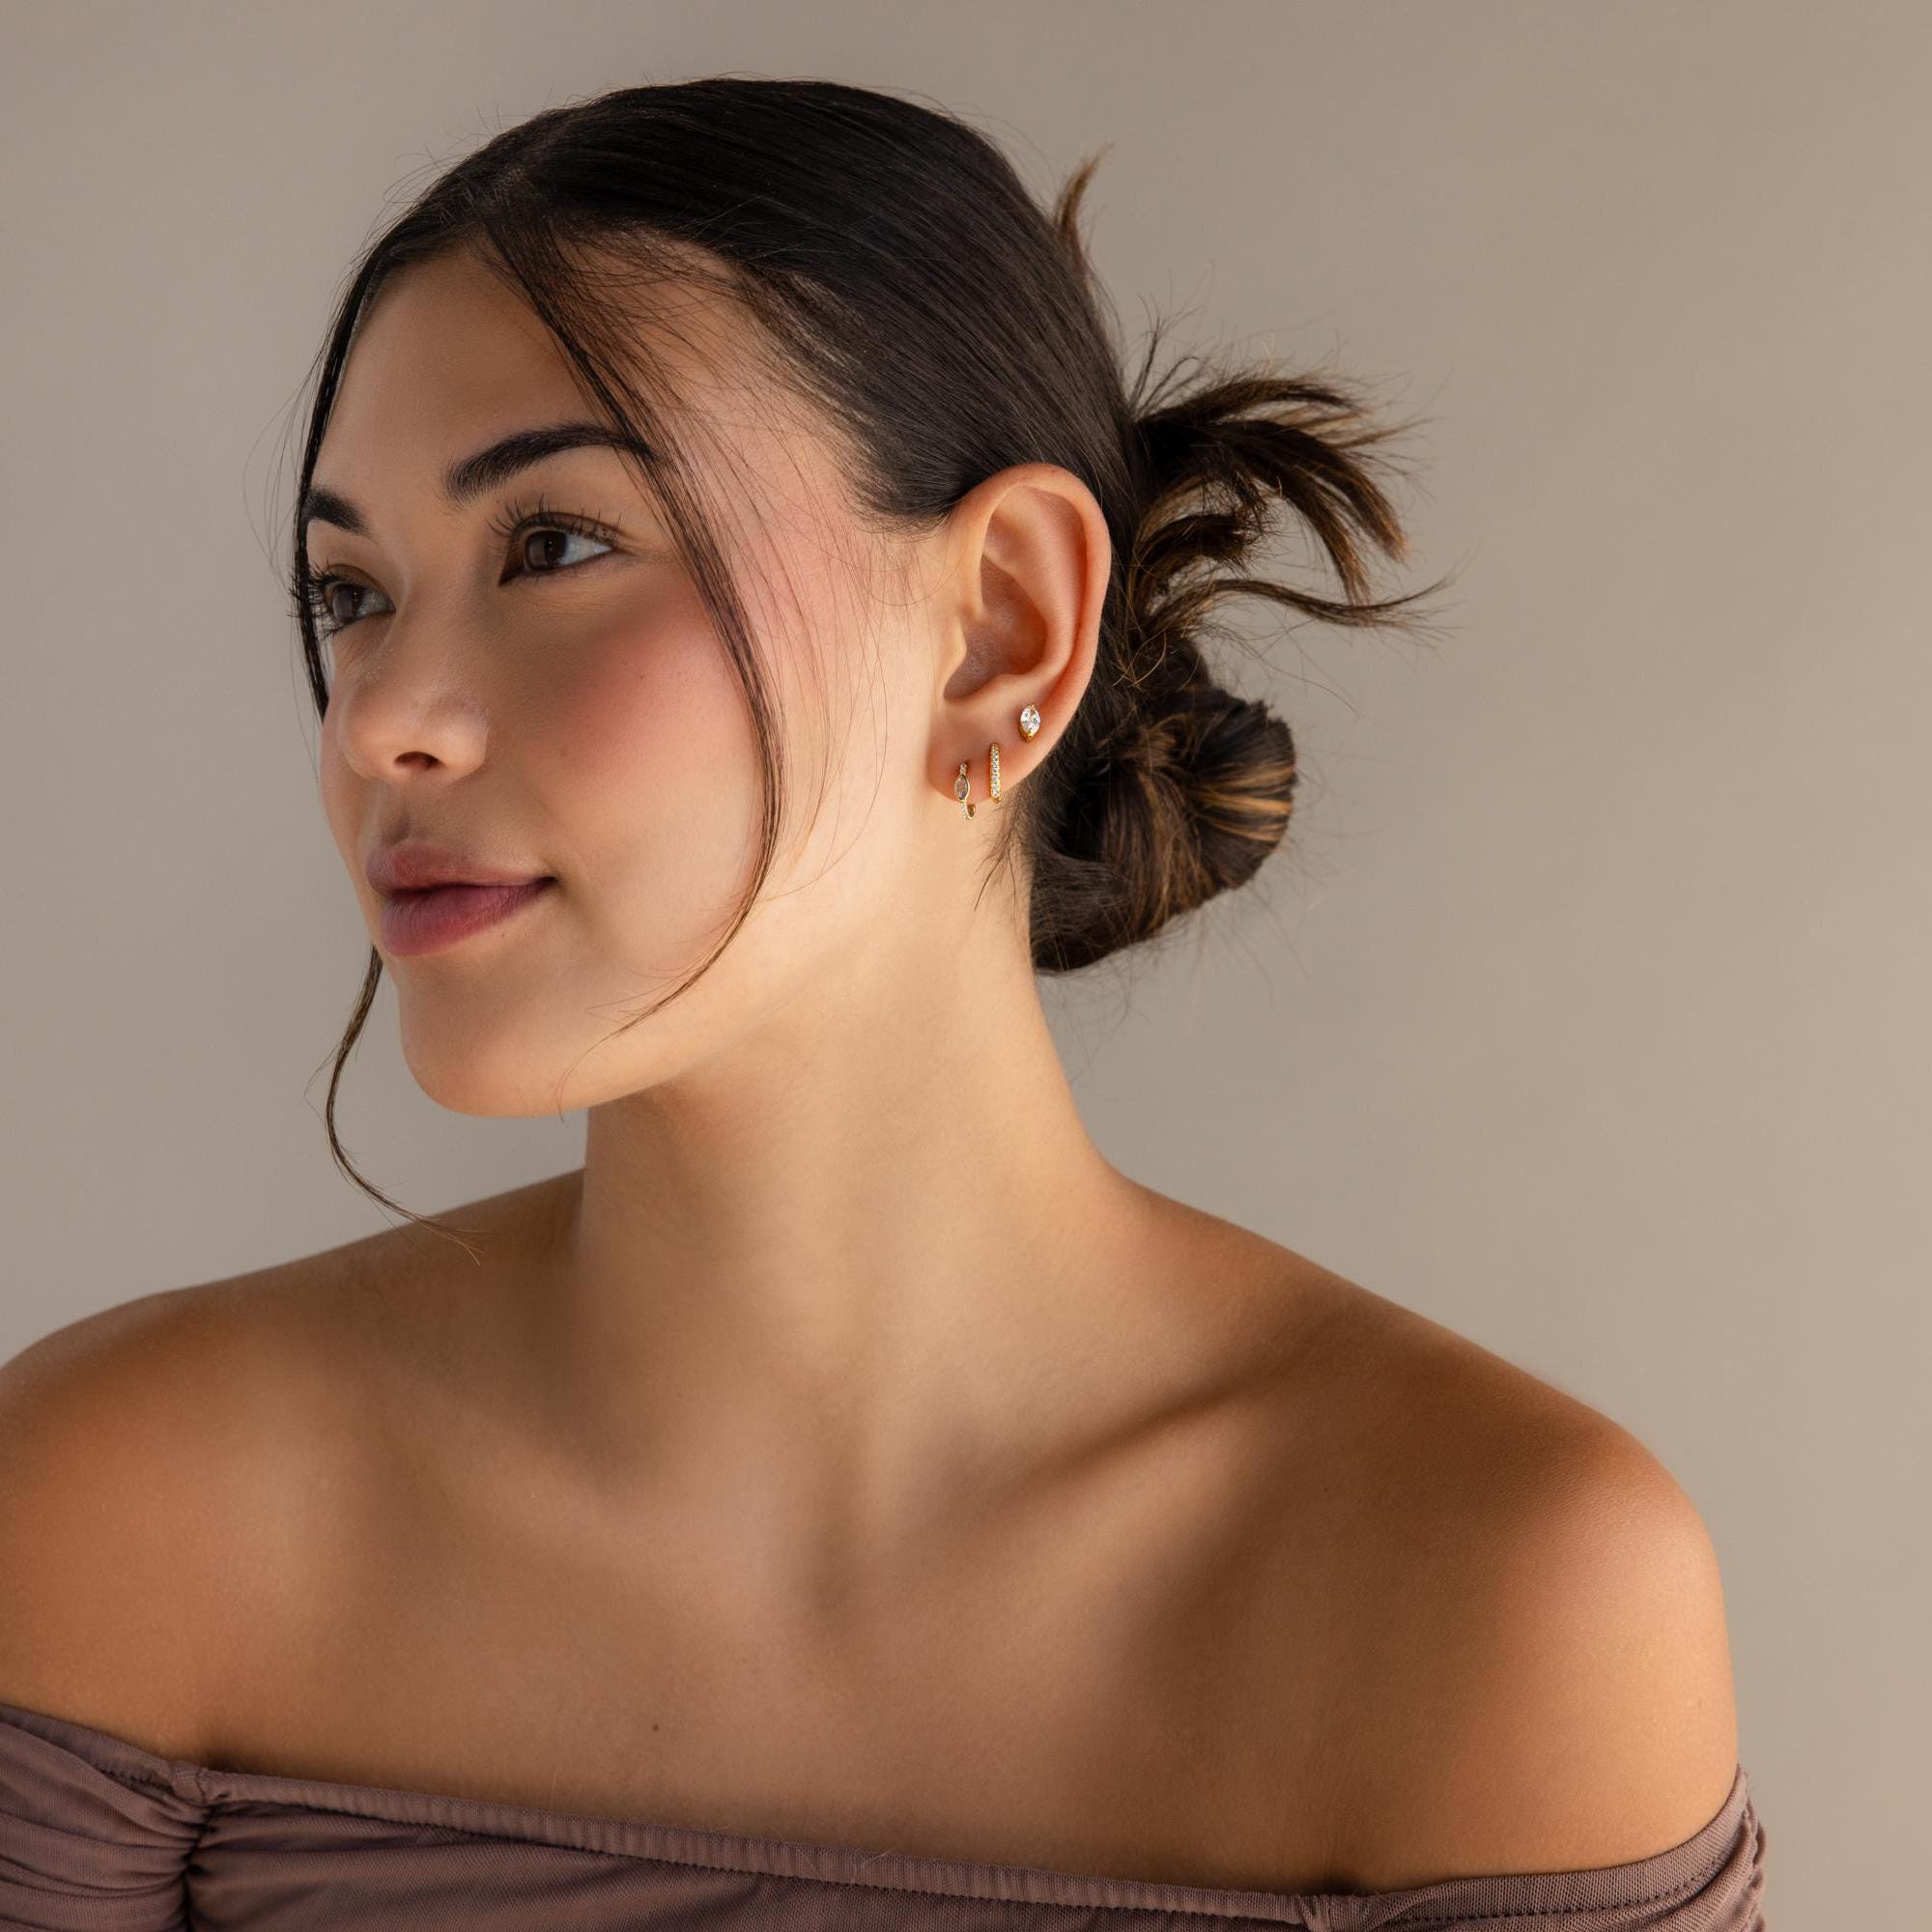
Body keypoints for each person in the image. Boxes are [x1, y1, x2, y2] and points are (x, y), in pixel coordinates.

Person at [0, 76, 1766, 1928]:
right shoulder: (122, 1507)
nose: (380, 721)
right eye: (346, 593)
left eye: (555, 544)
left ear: (1002, 623)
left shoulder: (1495, 1593)